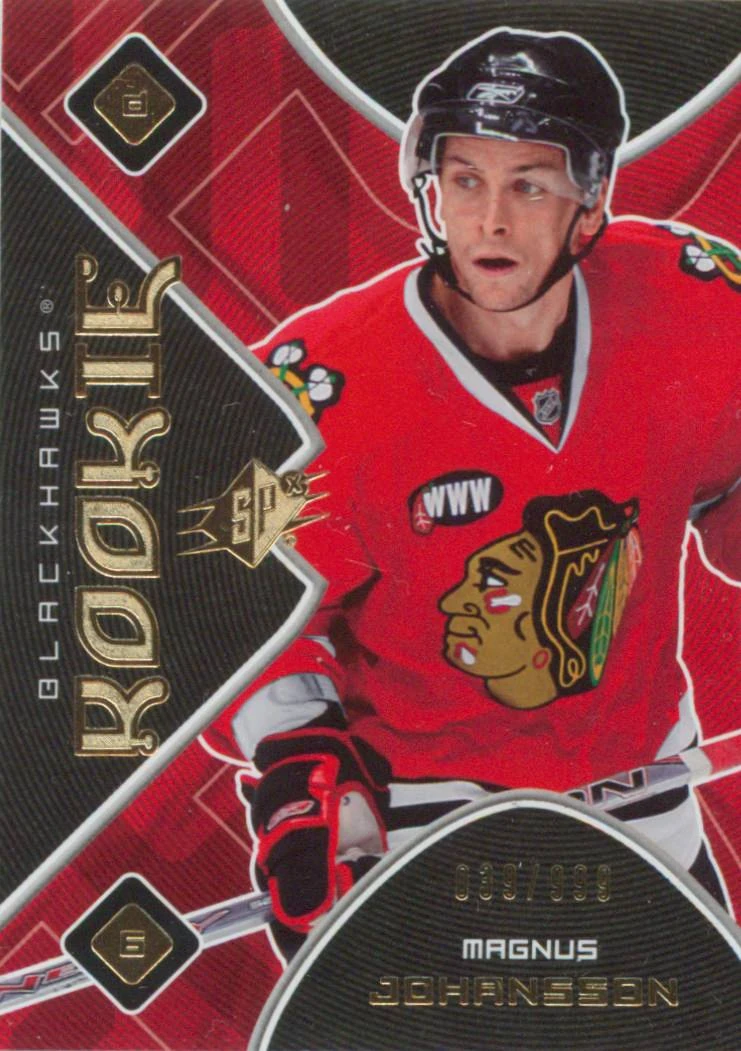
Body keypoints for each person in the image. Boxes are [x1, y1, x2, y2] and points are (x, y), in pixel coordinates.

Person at [204, 27, 740, 961]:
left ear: (591, 196)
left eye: (528, 184)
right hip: (417, 819)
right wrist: (299, 769)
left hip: (639, 795)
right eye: (465, 180)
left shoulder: (689, 301)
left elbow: (723, 486)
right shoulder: (314, 391)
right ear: (429, 186)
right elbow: (229, 607)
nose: (490, 220)